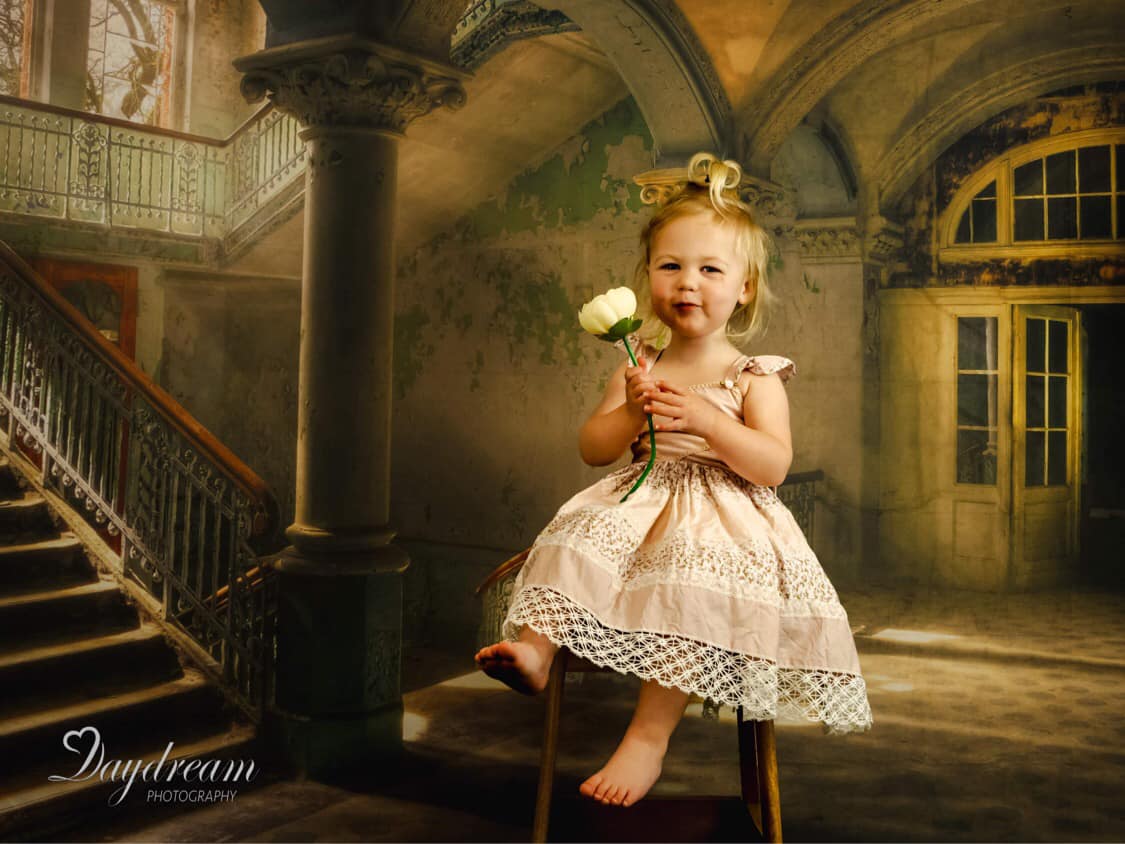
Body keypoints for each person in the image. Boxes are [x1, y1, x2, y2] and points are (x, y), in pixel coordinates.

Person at [474, 151, 873, 809]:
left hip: (722, 519)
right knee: (573, 533)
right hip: (641, 499)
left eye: (710, 269)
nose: (688, 282)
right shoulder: (639, 364)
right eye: (671, 266)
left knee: (692, 591)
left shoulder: (756, 377)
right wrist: (632, 407)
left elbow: (770, 466)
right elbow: (594, 449)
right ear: (646, 279)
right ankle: (536, 653)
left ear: (744, 288)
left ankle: (647, 738)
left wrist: (709, 422)